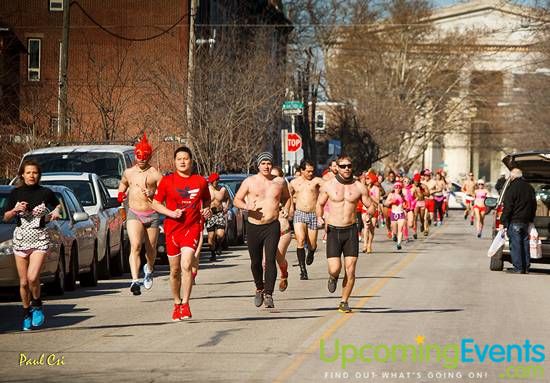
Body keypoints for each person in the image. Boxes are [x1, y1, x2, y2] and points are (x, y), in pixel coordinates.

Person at [151, 146, 212, 320]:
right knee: (175, 270)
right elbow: (155, 203)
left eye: (186, 158)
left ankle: (185, 304)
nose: (183, 161)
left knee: (186, 264)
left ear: (191, 161)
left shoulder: (200, 181)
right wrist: (170, 213)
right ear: (175, 161)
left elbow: (207, 200)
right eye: (179, 159)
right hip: (172, 229)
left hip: (191, 228)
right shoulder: (167, 181)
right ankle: (176, 302)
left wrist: (207, 210)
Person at [4, 160, 61, 330]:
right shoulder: (15, 193)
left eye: (34, 172)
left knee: (32, 277)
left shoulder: (45, 192)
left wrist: (56, 211)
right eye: (28, 172)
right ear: (22, 174)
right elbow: (6, 217)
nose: (31, 176)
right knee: (23, 283)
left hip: (39, 239)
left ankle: (37, 306)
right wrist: (15, 210)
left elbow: (57, 205)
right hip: (21, 239)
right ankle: (26, 312)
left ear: (39, 175)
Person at [316, 155, 377, 313]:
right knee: (335, 268)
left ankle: (344, 301)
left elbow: (371, 206)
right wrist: (319, 217)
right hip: (334, 231)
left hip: (350, 231)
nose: (347, 169)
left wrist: (369, 215)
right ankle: (333, 277)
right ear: (337, 167)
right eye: (343, 166)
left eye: (349, 166)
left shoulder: (359, 187)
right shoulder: (329, 186)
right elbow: (319, 204)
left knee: (350, 270)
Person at [234, 152, 290, 309]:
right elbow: (236, 199)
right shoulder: (249, 182)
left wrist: (285, 209)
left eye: (269, 163)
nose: (266, 166)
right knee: (256, 262)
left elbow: (287, 198)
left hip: (272, 224)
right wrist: (246, 206)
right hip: (253, 225)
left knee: (270, 260)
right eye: (263, 163)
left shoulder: (279, 182)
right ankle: (259, 287)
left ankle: (269, 294)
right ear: (258, 165)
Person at [117, 133, 163, 296]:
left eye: (145, 156)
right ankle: (135, 280)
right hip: (134, 213)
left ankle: (149, 269)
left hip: (152, 214)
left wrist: (153, 192)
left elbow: (164, 193)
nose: (141, 159)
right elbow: (122, 185)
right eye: (138, 156)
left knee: (150, 249)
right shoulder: (129, 172)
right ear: (135, 155)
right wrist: (121, 195)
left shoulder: (155, 174)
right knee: (135, 245)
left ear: (149, 156)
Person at [289, 159, 323, 280]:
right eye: (308, 171)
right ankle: (303, 271)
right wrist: (288, 209)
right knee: (301, 240)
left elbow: (329, 188)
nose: (310, 174)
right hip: (299, 213)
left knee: (312, 244)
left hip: (313, 214)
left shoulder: (317, 181)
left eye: (312, 171)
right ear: (302, 170)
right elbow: (287, 196)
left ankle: (312, 252)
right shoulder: (293, 183)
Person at [499, 168, 537, 274]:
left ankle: (518, 268)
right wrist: (531, 219)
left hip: (515, 221)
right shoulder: (530, 188)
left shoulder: (512, 188)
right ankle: (526, 267)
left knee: (516, 244)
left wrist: (503, 221)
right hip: (525, 221)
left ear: (513, 177)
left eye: (510, 176)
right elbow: (534, 205)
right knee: (525, 244)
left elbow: (508, 207)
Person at [271, 166, 293, 292]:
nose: (273, 179)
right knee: (264, 262)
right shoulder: (264, 188)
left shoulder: (285, 187)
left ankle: (284, 274)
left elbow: (289, 200)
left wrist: (286, 209)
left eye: (276, 176)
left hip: (282, 229)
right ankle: (266, 289)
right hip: (267, 228)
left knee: (278, 257)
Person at [205, 173, 229, 262]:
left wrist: (226, 206)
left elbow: (227, 199)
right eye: (213, 181)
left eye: (216, 181)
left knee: (220, 234)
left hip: (219, 214)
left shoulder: (222, 189)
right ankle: (213, 254)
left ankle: (219, 245)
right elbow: (201, 200)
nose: (215, 182)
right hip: (210, 214)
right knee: (211, 237)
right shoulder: (207, 190)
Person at [384, 181, 407, 250]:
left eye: (399, 187)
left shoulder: (403, 195)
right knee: (395, 230)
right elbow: (385, 204)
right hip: (394, 214)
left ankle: (399, 244)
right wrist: (391, 202)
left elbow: (405, 205)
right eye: (396, 187)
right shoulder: (391, 195)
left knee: (400, 229)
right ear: (394, 188)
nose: (397, 188)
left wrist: (405, 206)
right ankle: (394, 235)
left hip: (401, 214)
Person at [362, 171, 380, 253]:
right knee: (366, 227)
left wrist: (370, 195)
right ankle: (365, 245)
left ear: (372, 179)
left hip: (374, 210)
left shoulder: (376, 189)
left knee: (372, 229)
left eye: (368, 179)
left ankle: (369, 244)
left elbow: (378, 201)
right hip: (365, 210)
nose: (366, 180)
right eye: (366, 179)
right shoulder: (363, 188)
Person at [380, 170, 396, 239]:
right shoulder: (383, 184)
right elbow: (381, 195)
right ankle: (389, 230)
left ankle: (393, 232)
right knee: (387, 219)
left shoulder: (396, 184)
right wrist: (388, 193)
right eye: (390, 176)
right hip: (385, 204)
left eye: (393, 176)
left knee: (393, 219)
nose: (392, 177)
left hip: (394, 205)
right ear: (388, 177)